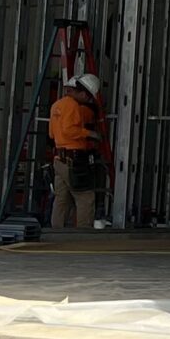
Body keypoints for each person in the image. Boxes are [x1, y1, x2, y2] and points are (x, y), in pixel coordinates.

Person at [48, 72, 105, 231]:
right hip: (74, 160)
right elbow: (69, 130)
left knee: (62, 199)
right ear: (79, 92)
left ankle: (56, 232)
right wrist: (90, 134)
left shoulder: (56, 105)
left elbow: (52, 134)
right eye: (87, 96)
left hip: (59, 159)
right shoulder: (72, 105)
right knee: (85, 197)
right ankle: (83, 235)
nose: (88, 100)